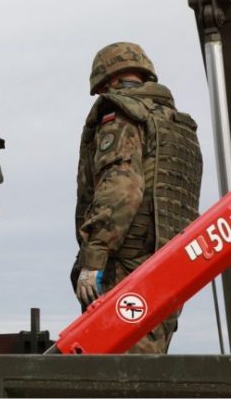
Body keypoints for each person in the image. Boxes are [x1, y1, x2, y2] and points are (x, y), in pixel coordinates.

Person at [73, 42, 202, 353]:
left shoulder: (121, 116)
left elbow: (122, 189)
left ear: (107, 82)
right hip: (172, 265)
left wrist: (94, 257)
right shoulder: (176, 126)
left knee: (119, 369)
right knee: (149, 368)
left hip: (127, 270)